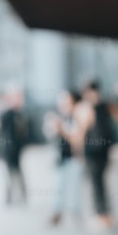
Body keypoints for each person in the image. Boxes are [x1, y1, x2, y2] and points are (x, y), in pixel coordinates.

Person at [80, 80, 115, 229]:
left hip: (94, 152)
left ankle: (101, 215)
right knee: (99, 183)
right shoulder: (106, 107)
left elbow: (82, 131)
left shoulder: (91, 109)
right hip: (101, 151)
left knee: (97, 184)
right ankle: (103, 214)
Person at [48, 89, 84, 226]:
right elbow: (51, 135)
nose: (62, 104)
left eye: (66, 101)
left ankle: (75, 214)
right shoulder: (58, 117)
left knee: (74, 187)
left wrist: (61, 129)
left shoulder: (77, 116)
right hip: (60, 158)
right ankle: (57, 213)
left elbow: (76, 139)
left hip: (74, 158)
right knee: (58, 186)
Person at [0, 87, 30, 206]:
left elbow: (24, 132)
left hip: (17, 149)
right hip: (8, 149)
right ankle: (9, 197)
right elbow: (0, 126)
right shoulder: (7, 114)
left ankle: (22, 196)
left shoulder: (21, 114)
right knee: (9, 174)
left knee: (18, 173)